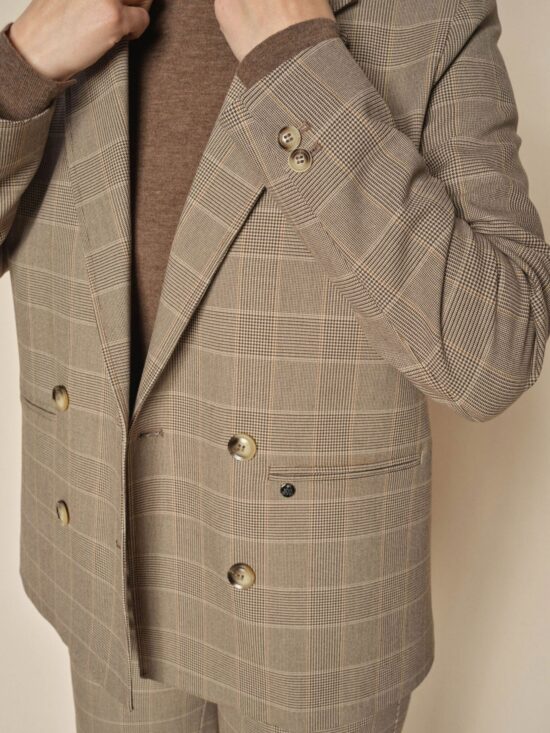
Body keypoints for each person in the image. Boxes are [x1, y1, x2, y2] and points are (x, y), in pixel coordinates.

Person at [1, 1, 548, 731]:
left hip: (312, 618)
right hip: (106, 577)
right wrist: (19, 69)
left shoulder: (428, 15)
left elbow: (496, 354)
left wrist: (296, 62)